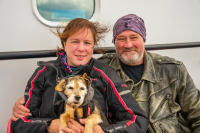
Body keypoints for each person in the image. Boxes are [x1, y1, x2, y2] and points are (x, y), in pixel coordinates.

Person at [10, 18, 148, 133]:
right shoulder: (44, 72)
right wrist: (51, 126)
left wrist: (102, 131)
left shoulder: (104, 73)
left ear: (93, 46)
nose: (81, 48)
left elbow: (138, 120)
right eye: (75, 41)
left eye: (87, 43)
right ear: (65, 44)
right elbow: (19, 123)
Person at [98, 14, 200, 132]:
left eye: (134, 37)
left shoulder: (173, 70)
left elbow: (197, 116)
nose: (128, 44)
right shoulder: (102, 70)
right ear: (114, 42)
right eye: (121, 39)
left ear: (144, 39)